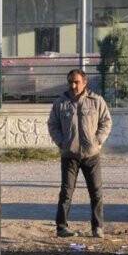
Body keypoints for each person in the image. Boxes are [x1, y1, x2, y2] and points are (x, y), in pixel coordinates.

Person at [47, 68, 113, 238]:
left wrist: (98, 141)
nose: (73, 85)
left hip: (91, 155)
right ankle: (62, 227)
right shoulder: (60, 103)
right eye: (70, 82)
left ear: (85, 82)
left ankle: (97, 227)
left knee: (96, 192)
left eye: (76, 82)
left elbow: (106, 122)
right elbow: (53, 125)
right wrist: (61, 142)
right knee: (66, 192)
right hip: (69, 156)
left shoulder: (96, 101)